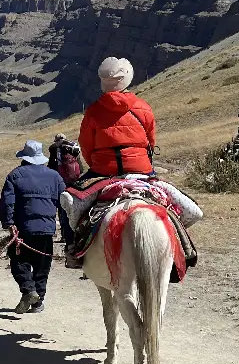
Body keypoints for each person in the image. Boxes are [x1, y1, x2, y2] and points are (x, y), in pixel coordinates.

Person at [63, 57, 202, 265]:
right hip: (143, 173)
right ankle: (182, 247)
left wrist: (100, 163)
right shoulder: (143, 108)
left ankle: (74, 249)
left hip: (103, 174)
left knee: (69, 202)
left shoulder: (93, 111)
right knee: (192, 211)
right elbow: (150, 142)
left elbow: (86, 146)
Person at [0, 140, 65, 313]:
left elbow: (7, 203)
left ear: (25, 157)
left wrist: (9, 223)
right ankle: (37, 302)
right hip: (46, 229)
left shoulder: (15, 175)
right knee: (42, 266)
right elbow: (64, 204)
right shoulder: (55, 177)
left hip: (22, 230)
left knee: (18, 261)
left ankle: (29, 290)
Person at [48, 134, 83, 245]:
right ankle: (76, 233)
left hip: (60, 182)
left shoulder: (54, 150)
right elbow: (80, 168)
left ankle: (65, 235)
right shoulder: (72, 148)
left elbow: (51, 167)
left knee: (62, 207)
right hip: (74, 182)